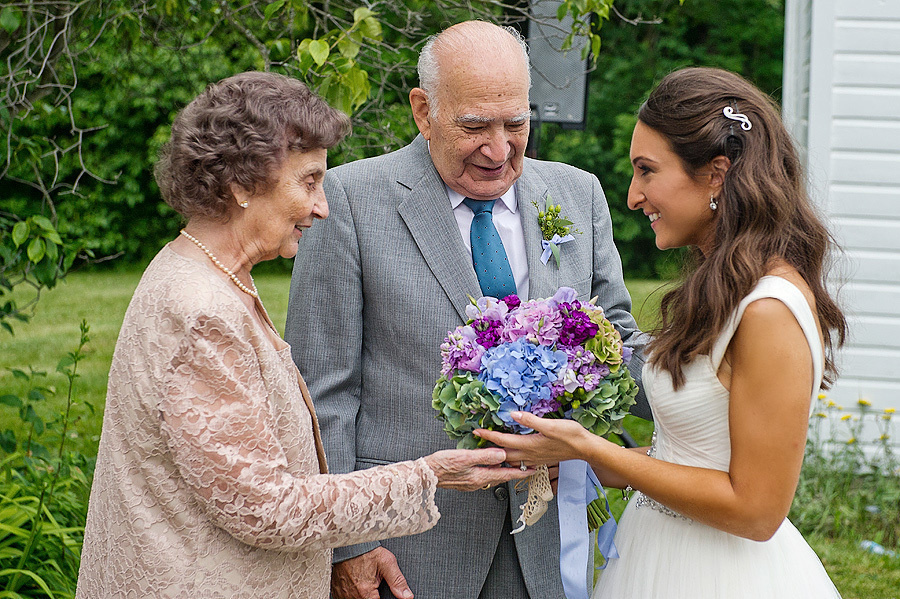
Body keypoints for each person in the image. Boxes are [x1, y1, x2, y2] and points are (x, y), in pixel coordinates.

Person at [75, 71, 532, 599]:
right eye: (309, 181)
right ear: (242, 185)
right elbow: (266, 509)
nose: (322, 206)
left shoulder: (208, 277)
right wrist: (429, 476)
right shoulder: (201, 310)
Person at [285, 20, 648, 599]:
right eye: (475, 125)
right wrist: (347, 543)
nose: (499, 149)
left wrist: (711, 365)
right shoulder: (349, 202)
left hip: (547, 540)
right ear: (423, 111)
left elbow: (617, 345)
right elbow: (320, 392)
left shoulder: (578, 194)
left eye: (517, 123)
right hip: (409, 546)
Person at [477, 66, 848, 598]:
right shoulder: (721, 286)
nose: (632, 196)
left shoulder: (769, 309)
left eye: (647, 171)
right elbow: (692, 456)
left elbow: (757, 510)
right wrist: (590, 463)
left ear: (716, 175)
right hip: (655, 555)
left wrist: (594, 451)